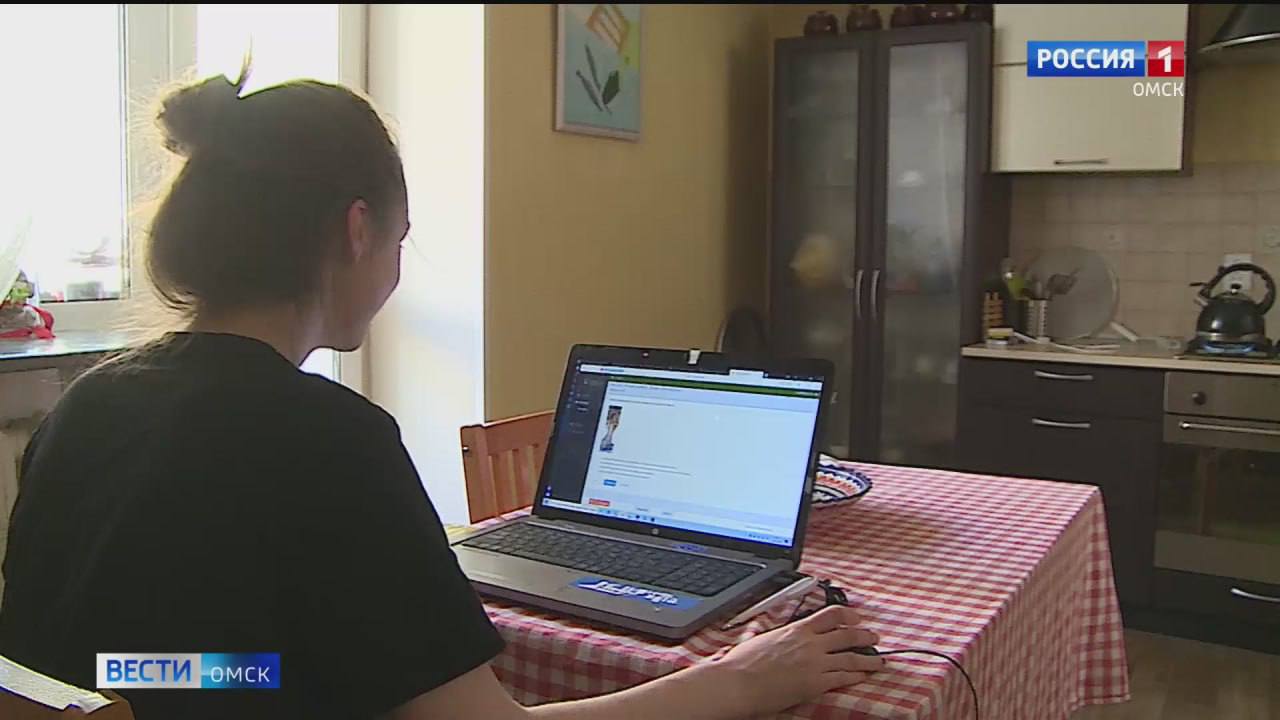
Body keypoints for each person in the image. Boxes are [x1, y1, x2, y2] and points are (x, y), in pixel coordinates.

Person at [0, 71, 883, 719]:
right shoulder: (329, 438)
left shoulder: (85, 407)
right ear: (356, 231)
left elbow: (141, 662)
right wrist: (741, 681)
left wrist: (287, 666)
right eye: (400, 241)